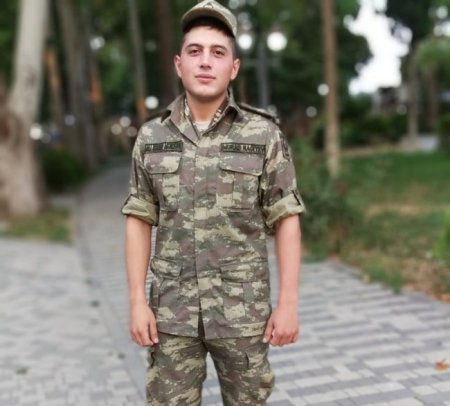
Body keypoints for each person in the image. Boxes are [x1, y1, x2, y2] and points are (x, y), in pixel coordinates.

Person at [121, 1, 305, 404]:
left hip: (242, 314)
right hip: (172, 315)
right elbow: (139, 217)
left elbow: (286, 217)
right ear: (179, 64)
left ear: (233, 68)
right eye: (195, 51)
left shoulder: (263, 135)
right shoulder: (152, 137)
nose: (205, 61)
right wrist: (137, 302)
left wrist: (288, 304)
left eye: (218, 52)